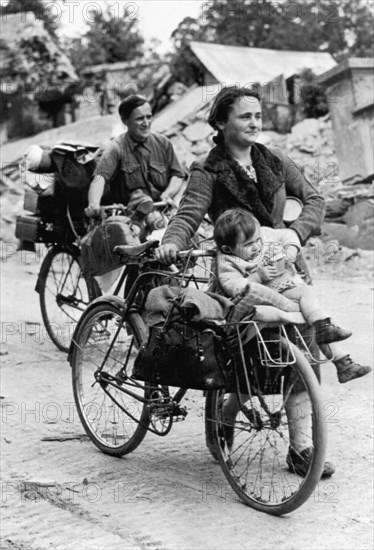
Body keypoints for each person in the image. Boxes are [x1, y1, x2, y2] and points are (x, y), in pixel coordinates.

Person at [155, 85, 334, 477]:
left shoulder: (274, 159)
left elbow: (315, 199)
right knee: (248, 362)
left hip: (285, 270)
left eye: (257, 115)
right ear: (221, 122)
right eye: (244, 116)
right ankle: (226, 412)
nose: (255, 123)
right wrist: (171, 241)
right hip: (240, 279)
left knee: (300, 351)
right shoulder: (208, 169)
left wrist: (294, 234)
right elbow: (188, 213)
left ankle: (301, 448)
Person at [214, 208, 372, 384]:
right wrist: (256, 277)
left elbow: (287, 234)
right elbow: (233, 285)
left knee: (308, 299)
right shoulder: (227, 261)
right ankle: (339, 357)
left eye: (258, 240)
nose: (257, 246)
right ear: (227, 248)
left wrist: (291, 249)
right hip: (262, 298)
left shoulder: (265, 235)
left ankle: (339, 355)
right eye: (249, 245)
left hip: (283, 289)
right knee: (307, 302)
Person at [85, 94, 185, 223]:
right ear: (125, 121)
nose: (146, 123)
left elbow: (177, 175)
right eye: (139, 118)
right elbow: (100, 178)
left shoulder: (163, 143)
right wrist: (94, 204)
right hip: (129, 217)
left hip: (162, 211)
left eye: (148, 117)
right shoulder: (116, 147)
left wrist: (168, 193)